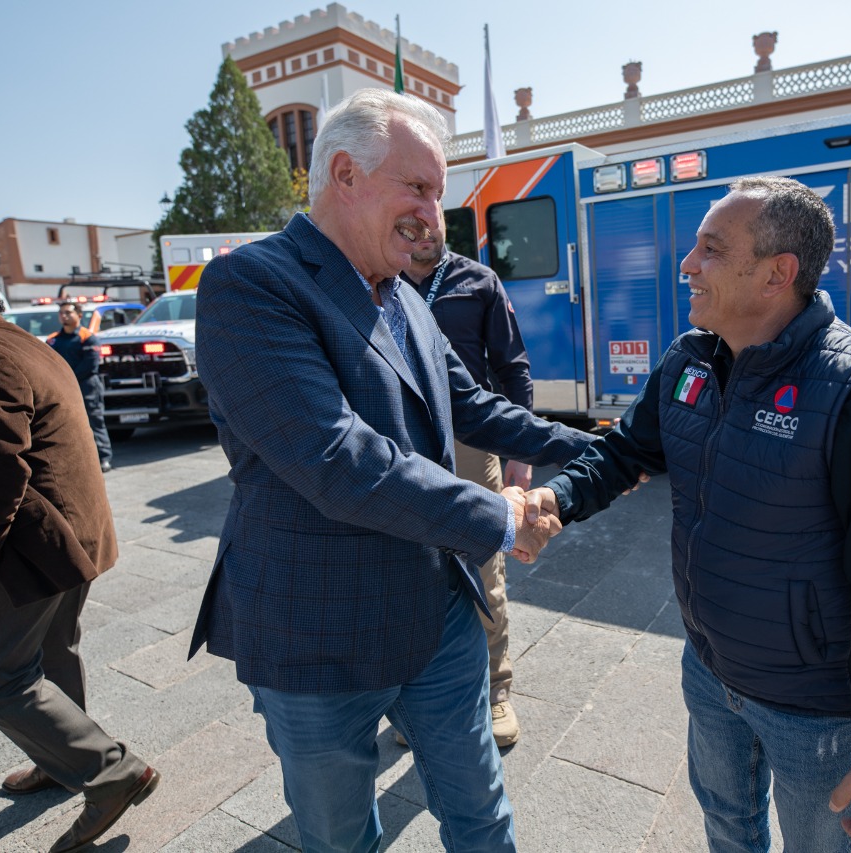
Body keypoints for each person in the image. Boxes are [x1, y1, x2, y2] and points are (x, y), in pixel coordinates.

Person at [187, 88, 596, 853]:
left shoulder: (404, 294)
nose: (433, 215)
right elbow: (338, 458)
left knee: (482, 816)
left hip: (436, 615)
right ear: (345, 173)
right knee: (343, 837)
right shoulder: (252, 286)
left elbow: (472, 405)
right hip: (317, 632)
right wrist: (503, 515)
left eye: (438, 195)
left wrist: (595, 450)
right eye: (418, 188)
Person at [522, 177, 851, 850]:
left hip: (814, 708)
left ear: (776, 274)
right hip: (710, 670)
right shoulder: (689, 360)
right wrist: (557, 498)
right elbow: (626, 449)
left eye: (710, 249)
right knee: (728, 826)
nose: (686, 265)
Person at [0, 268, 160, 853]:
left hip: (37, 544)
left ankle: (107, 772)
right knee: (52, 652)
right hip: (71, 533)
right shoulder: (15, 339)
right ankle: (65, 764)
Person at [403, 223, 532, 748]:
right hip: (404, 441)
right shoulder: (376, 280)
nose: (424, 234)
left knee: (484, 565)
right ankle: (420, 701)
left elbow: (512, 369)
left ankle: (495, 691)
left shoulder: (478, 282)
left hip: (472, 444)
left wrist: (523, 451)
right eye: (412, 227)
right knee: (413, 569)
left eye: (433, 224)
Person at [46, 301, 113, 473]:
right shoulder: (53, 340)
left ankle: (104, 457)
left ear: (79, 315)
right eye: (61, 313)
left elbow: (90, 365)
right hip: (62, 388)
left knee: (94, 421)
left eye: (68, 312)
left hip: (87, 386)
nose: (64, 316)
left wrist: (69, 379)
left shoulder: (88, 337)